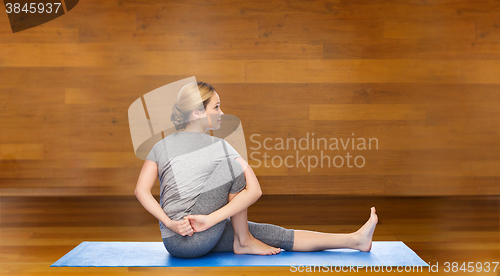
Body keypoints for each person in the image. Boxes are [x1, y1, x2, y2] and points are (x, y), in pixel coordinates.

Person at [134, 81, 378, 258]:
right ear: (197, 113)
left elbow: (141, 191)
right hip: (197, 234)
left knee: (271, 234)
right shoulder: (220, 146)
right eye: (216, 107)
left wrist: (171, 223)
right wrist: (209, 220)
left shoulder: (160, 145)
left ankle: (355, 240)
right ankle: (243, 241)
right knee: (234, 167)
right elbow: (254, 190)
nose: (221, 113)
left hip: (174, 242)